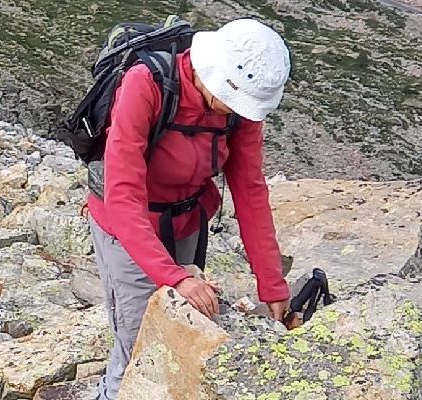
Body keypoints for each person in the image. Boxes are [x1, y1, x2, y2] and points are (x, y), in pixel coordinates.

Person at [87, 19, 293, 400]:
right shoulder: (145, 84)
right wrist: (174, 277)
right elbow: (123, 194)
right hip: (125, 226)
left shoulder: (237, 110)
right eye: (235, 102)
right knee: (138, 343)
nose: (239, 112)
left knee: (183, 332)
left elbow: (249, 192)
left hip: (186, 220)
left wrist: (272, 284)